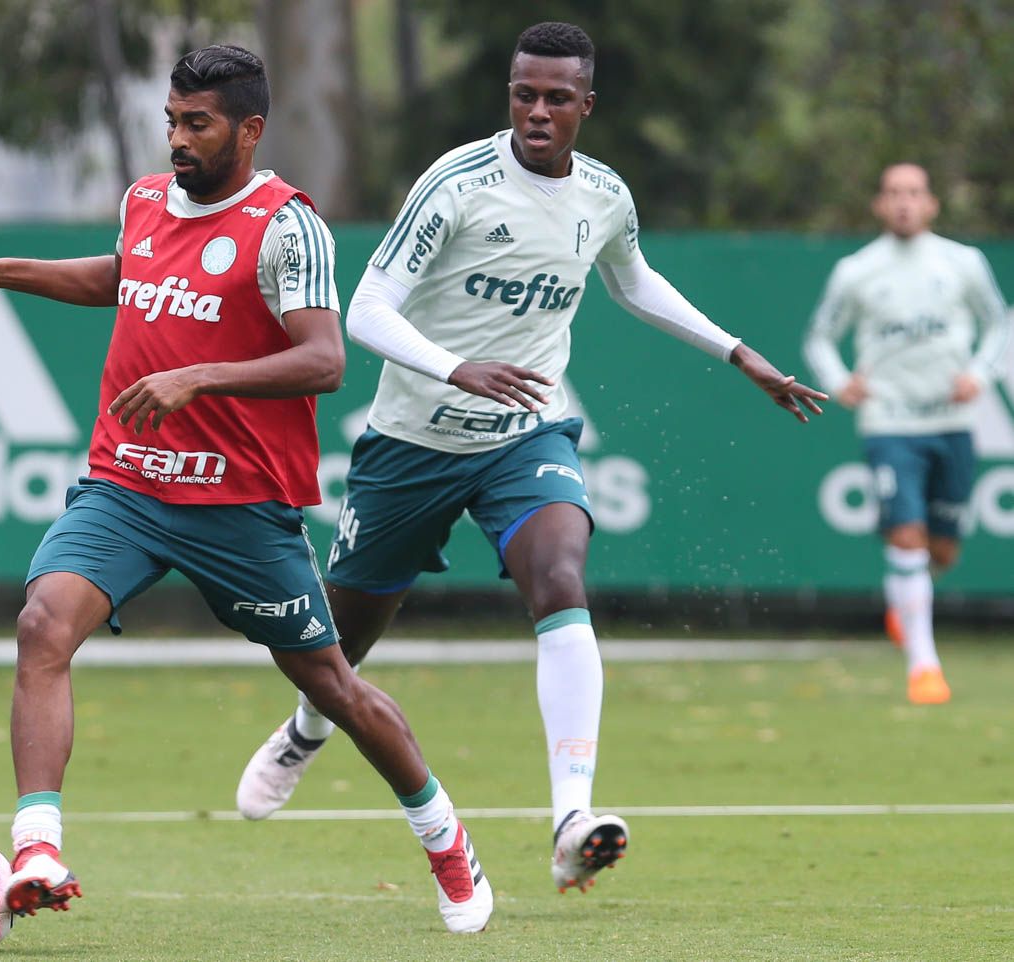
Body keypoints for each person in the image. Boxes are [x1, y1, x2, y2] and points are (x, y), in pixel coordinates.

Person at [233, 21, 828, 896]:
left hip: (525, 433)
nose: (538, 111)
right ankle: (307, 730)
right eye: (524, 94)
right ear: (509, 95)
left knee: (560, 579)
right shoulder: (457, 184)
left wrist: (737, 352)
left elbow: (634, 281)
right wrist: (455, 367)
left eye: (557, 98)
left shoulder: (604, 195)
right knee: (341, 641)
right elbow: (366, 310)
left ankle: (571, 820)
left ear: (588, 105)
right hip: (413, 443)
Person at [0, 44, 495, 934]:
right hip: (127, 485)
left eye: (198, 124)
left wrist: (201, 378)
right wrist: (4, 273)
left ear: (249, 129)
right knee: (42, 624)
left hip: (241, 506)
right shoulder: (146, 200)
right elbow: (124, 277)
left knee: (331, 685)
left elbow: (325, 359)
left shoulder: (286, 226)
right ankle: (36, 847)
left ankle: (444, 838)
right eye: (172, 121)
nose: (179, 139)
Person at [804, 163, 1010, 705]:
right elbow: (819, 336)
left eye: (914, 193)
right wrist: (838, 381)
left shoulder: (964, 262)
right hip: (890, 423)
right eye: (894, 193)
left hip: (952, 423)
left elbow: (999, 321)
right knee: (906, 536)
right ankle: (925, 666)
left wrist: (980, 374)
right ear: (879, 204)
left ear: (931, 203)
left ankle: (904, 600)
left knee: (942, 549)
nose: (904, 202)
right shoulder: (857, 270)